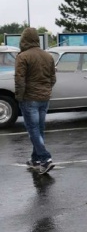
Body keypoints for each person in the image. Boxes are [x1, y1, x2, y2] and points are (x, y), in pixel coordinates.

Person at [14, 27, 57, 174]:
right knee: (39, 129)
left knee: (33, 130)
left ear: (24, 39)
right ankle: (35, 159)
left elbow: (20, 80)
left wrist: (19, 97)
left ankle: (45, 159)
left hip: (29, 98)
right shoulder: (48, 56)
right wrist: (47, 90)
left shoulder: (23, 56)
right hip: (44, 98)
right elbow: (53, 78)